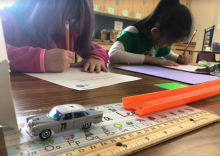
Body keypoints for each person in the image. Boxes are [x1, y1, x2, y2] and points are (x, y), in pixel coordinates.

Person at [0, 0, 109, 73]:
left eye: (72, 20)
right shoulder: (8, 18)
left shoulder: (71, 30)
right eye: (62, 16)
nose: (66, 24)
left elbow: (95, 48)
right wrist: (42, 59)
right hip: (16, 98)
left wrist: (95, 58)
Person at [109, 0, 193, 66]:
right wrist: (150, 59)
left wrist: (179, 59)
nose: (170, 45)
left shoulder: (159, 39)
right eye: (170, 42)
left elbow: (169, 55)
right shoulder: (133, 32)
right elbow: (112, 55)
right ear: (155, 31)